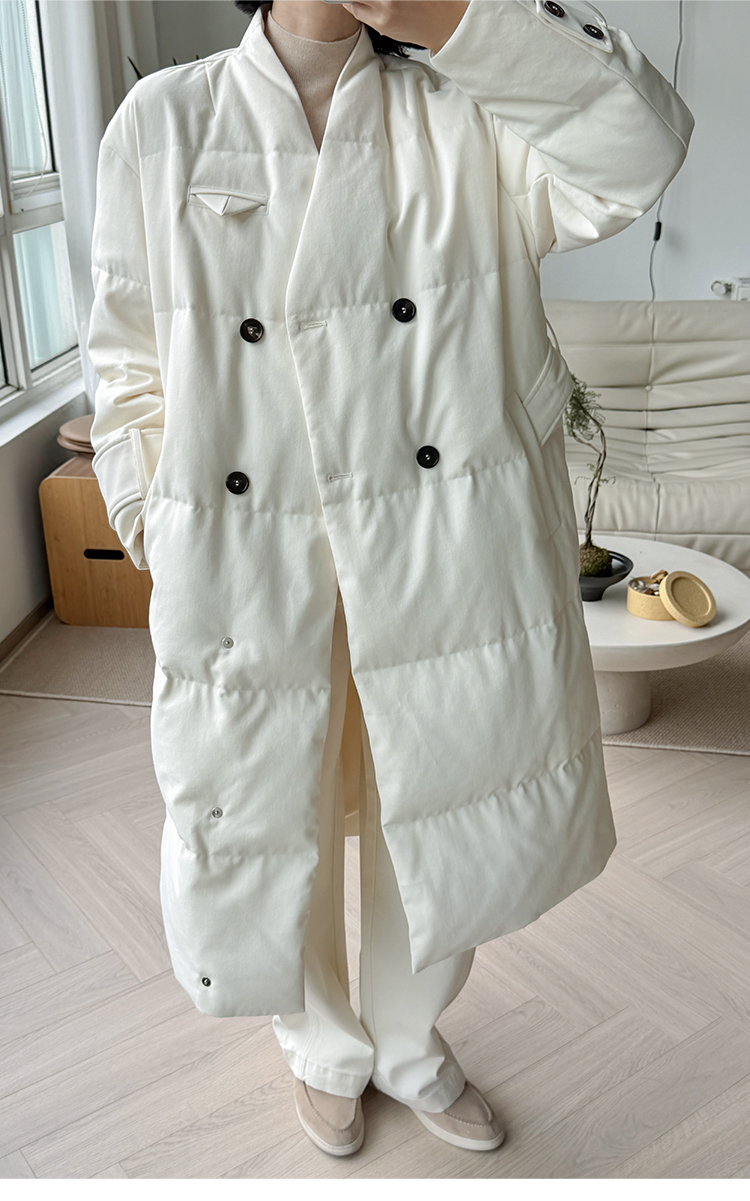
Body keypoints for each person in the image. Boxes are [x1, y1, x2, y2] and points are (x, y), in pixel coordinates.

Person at [88, 0, 694, 1159]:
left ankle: (411, 1040)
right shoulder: (164, 120)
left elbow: (637, 152)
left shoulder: (467, 105)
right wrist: (151, 520)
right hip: (253, 544)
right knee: (284, 799)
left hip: (438, 538)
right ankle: (320, 1044)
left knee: (441, 781)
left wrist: (454, 18)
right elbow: (125, 354)